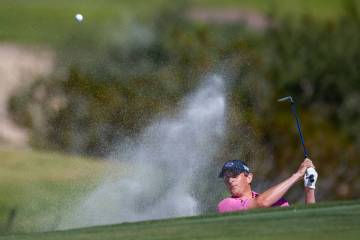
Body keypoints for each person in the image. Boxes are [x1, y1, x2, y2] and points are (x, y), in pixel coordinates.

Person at [217, 158, 318, 213]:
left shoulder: (277, 201)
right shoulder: (226, 204)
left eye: (234, 175)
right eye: (226, 177)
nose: (230, 180)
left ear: (249, 178)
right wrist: (297, 175)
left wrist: (310, 187)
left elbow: (307, 221)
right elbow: (262, 203)